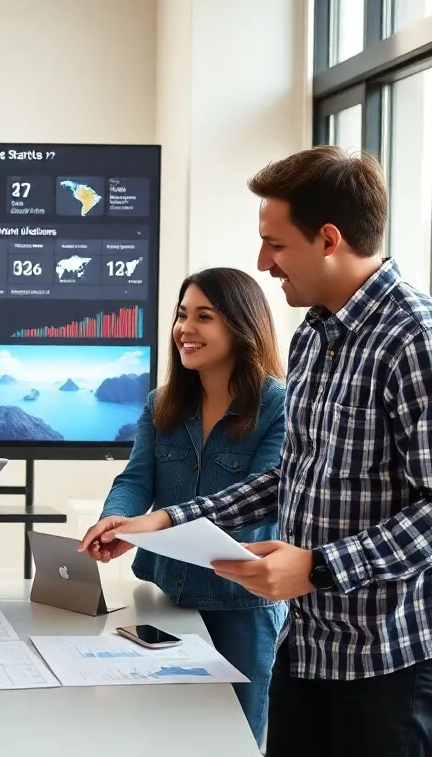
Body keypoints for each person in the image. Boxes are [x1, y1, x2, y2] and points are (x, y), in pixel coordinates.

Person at [82, 146, 432, 757]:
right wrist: (166, 519)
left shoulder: (424, 343)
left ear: (328, 238)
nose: (263, 263)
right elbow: (290, 474)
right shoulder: (315, 338)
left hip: (393, 654)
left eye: (275, 244)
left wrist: (317, 566)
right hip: (311, 643)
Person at [79, 268, 287, 744]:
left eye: (204, 317)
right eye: (180, 315)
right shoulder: (161, 403)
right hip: (164, 595)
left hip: (241, 606)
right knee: (162, 738)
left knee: (231, 741)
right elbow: (135, 480)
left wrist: (160, 520)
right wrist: (115, 518)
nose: (184, 330)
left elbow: (257, 496)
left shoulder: (278, 405)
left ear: (241, 325)